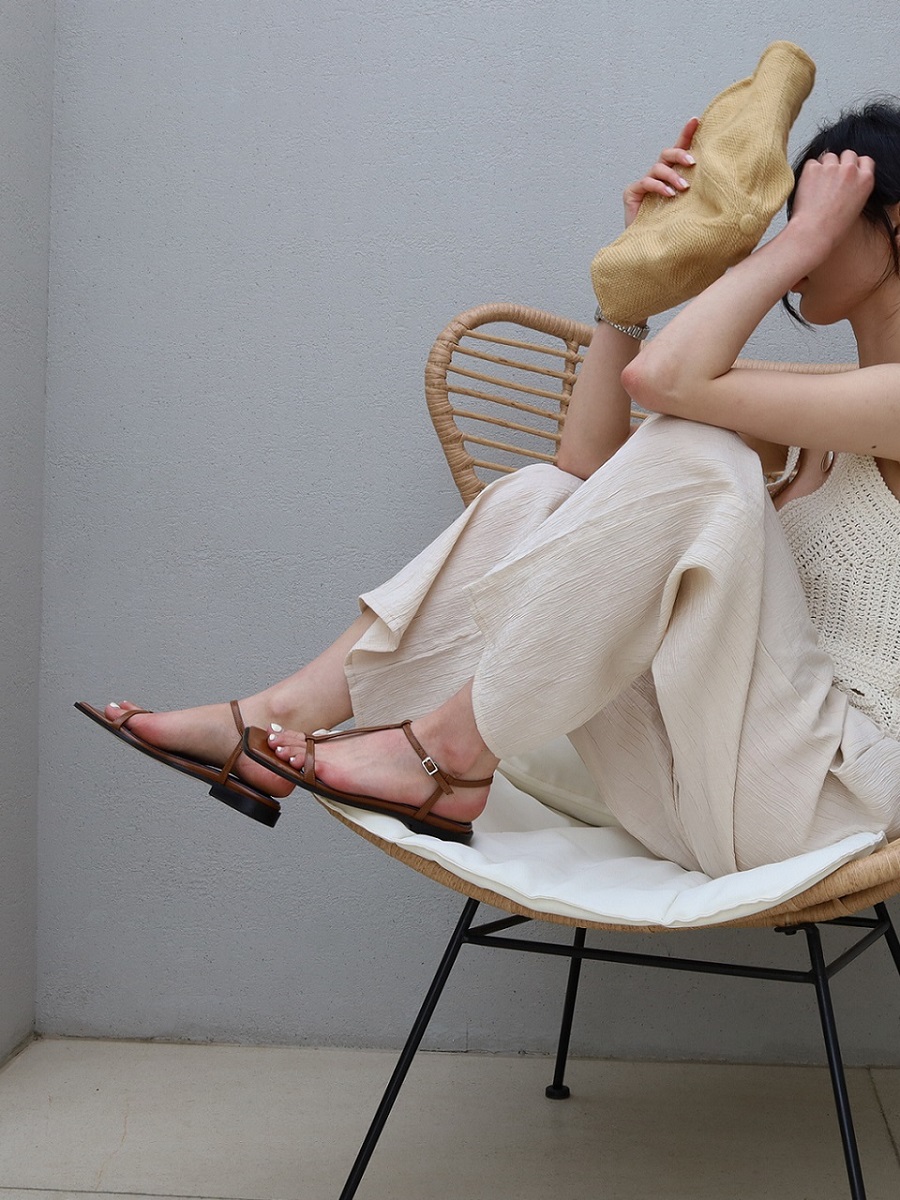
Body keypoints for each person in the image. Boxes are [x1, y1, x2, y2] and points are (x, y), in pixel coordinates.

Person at [78, 102, 900, 879]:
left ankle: (447, 751)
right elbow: (584, 468)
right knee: (539, 494)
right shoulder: (819, 425)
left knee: (698, 451)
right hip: (699, 788)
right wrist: (640, 272)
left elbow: (665, 384)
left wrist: (787, 246)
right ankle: (284, 715)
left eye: (821, 210)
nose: (797, 234)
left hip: (827, 803)